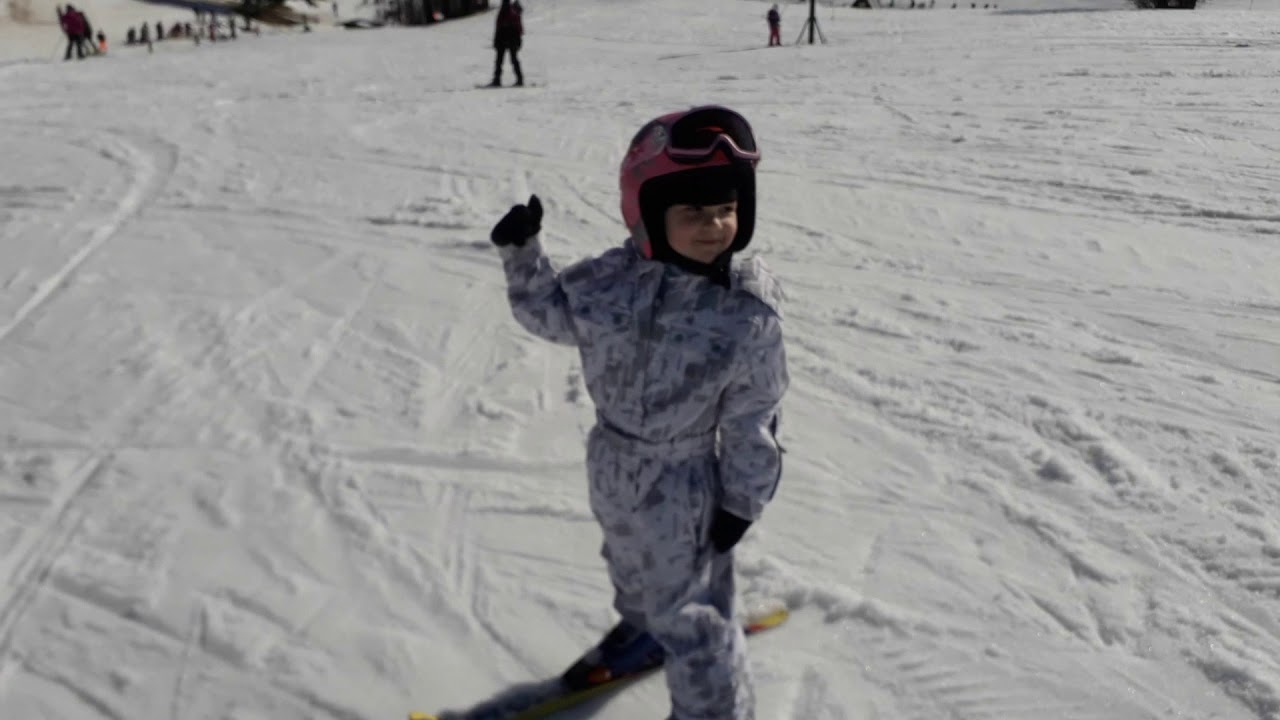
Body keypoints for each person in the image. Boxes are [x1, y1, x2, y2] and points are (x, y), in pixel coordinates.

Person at [488, 105, 787, 720]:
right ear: (647, 212)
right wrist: (523, 253)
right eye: (693, 212)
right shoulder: (610, 280)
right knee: (627, 562)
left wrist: (740, 502)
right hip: (613, 464)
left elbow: (755, 417)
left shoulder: (743, 312)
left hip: (685, 485)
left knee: (695, 618)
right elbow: (551, 314)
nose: (715, 226)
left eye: (726, 209)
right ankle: (642, 628)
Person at [489, 0, 524, 87]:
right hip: (508, 39)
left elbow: (499, 27)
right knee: (508, 60)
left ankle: (498, 79)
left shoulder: (508, 14)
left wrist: (496, 40)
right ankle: (518, 79)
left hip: (506, 39)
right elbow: (518, 29)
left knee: (502, 61)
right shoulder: (511, 14)